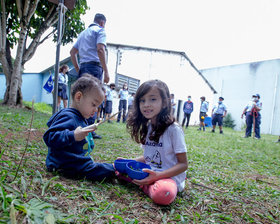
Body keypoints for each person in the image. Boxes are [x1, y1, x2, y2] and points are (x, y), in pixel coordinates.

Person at [121, 79, 188, 205]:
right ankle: (144, 183)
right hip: (149, 171)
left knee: (164, 193)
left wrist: (157, 176)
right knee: (117, 167)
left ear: (164, 103)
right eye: (142, 100)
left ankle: (144, 185)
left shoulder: (174, 129)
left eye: (152, 99)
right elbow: (148, 157)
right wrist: (128, 161)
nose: (146, 104)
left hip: (167, 178)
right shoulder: (148, 126)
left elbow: (183, 164)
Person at [43, 74, 115, 181]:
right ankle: (117, 171)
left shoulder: (80, 117)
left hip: (74, 161)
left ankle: (115, 169)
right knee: (106, 171)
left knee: (102, 168)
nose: (96, 110)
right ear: (79, 97)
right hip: (64, 164)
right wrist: (73, 135)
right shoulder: (68, 116)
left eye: (98, 106)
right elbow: (49, 137)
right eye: (94, 104)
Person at [70, 13, 109, 139]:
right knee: (94, 98)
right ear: (102, 23)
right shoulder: (100, 30)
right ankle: (89, 130)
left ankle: (77, 125)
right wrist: (106, 71)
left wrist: (77, 68)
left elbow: (72, 52)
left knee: (81, 97)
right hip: (94, 67)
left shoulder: (82, 34)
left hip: (83, 67)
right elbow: (100, 49)